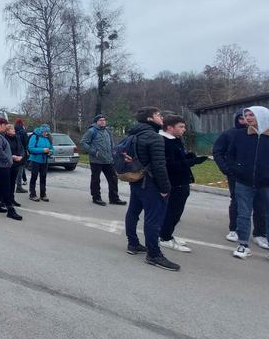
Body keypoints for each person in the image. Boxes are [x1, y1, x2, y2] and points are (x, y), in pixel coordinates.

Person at [123, 107, 178, 271]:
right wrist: (165, 187)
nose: (161, 117)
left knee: (133, 211)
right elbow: (159, 166)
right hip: (151, 182)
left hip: (136, 179)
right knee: (153, 219)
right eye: (158, 115)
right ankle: (154, 255)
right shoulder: (154, 138)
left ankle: (132, 244)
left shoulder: (133, 134)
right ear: (149, 119)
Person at [213, 110, 268, 248]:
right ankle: (235, 231)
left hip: (263, 180)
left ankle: (259, 234)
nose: (245, 119)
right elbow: (221, 152)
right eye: (243, 117)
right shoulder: (231, 134)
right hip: (239, 177)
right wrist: (229, 170)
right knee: (238, 204)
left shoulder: (264, 135)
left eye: (250, 116)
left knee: (260, 206)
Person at [158, 115, 208, 253]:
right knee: (172, 212)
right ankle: (165, 238)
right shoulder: (164, 142)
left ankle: (167, 234)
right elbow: (170, 166)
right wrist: (193, 162)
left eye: (184, 127)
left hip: (182, 181)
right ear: (169, 128)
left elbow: (179, 157)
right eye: (181, 127)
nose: (184, 130)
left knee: (176, 212)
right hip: (175, 183)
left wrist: (189, 156)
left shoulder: (175, 140)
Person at [226, 106, 269, 259]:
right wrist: (236, 170)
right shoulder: (240, 135)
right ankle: (243, 244)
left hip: (266, 183)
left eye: (252, 115)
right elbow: (230, 155)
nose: (248, 118)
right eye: (246, 115)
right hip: (243, 182)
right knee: (243, 213)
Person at [80, 114, 126, 206]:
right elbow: (83, 142)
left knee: (113, 179)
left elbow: (111, 144)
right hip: (96, 160)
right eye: (100, 120)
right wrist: (94, 152)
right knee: (96, 180)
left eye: (104, 120)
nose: (103, 121)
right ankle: (96, 198)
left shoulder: (107, 131)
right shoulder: (92, 131)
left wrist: (115, 152)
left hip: (109, 160)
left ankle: (114, 198)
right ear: (96, 122)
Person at [0, 117, 22, 220]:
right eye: (4, 124)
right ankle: (10, 210)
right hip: (2, 165)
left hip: (3, 164)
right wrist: (8, 159)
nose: (5, 126)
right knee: (6, 187)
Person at [27, 124, 54, 202]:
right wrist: (42, 150)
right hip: (35, 160)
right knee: (34, 177)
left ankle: (43, 194)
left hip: (45, 160)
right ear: (42, 131)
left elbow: (51, 148)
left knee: (43, 177)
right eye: (45, 132)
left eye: (48, 132)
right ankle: (32, 194)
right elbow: (30, 148)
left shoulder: (48, 138)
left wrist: (50, 152)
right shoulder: (35, 136)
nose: (47, 133)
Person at [5, 124, 25, 207]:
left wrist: (21, 156)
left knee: (13, 182)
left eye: (13, 129)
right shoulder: (4, 138)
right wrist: (12, 156)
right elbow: (4, 150)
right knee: (7, 183)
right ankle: (5, 200)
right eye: (12, 129)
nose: (14, 130)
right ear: (7, 130)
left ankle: (12, 199)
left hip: (17, 162)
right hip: (8, 163)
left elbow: (21, 148)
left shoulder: (17, 137)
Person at [14, 118, 29, 193]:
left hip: (14, 152)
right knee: (20, 169)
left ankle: (14, 185)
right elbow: (26, 143)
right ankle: (19, 187)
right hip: (22, 153)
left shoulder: (13, 130)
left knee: (14, 169)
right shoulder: (23, 132)